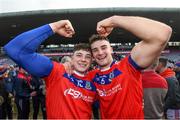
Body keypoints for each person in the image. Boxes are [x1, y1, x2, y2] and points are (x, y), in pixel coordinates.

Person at [4, 20, 96, 119]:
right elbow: (15, 49)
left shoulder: (95, 80)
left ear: (92, 61)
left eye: (87, 57)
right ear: (71, 58)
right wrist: (55, 27)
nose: (83, 59)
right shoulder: (57, 70)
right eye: (79, 55)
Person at [88, 15, 172, 118]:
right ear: (92, 55)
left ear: (111, 49)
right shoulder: (91, 77)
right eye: (95, 50)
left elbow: (163, 33)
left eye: (103, 47)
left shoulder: (128, 65)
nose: (100, 52)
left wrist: (114, 20)